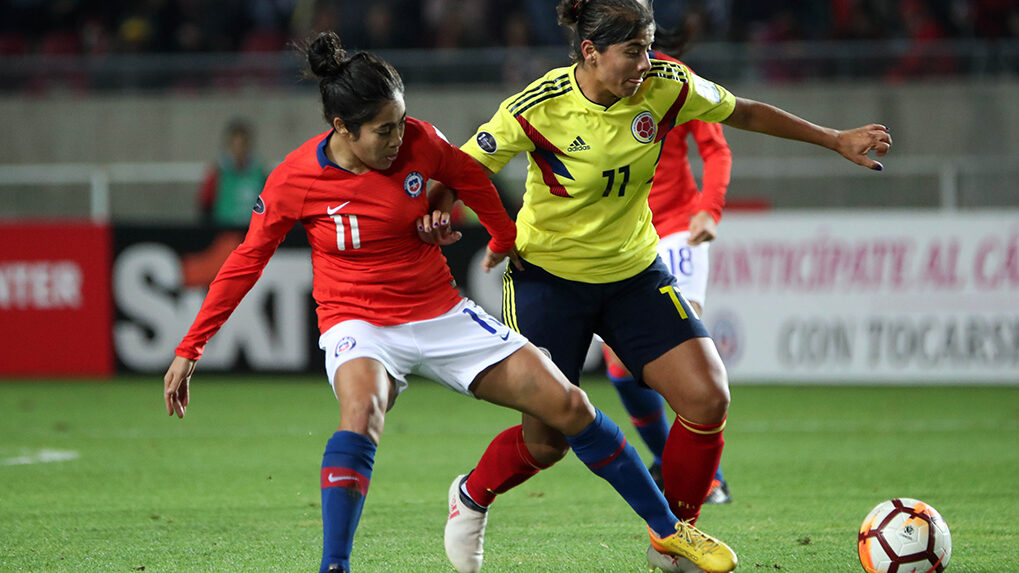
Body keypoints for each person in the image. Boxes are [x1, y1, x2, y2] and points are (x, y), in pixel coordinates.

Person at [163, 31, 727, 573]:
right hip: (357, 321)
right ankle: (334, 564)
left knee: (571, 409)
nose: (397, 138)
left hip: (440, 313)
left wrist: (502, 239)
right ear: (342, 127)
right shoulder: (295, 178)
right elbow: (245, 260)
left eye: (401, 121)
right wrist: (192, 347)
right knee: (362, 413)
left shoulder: (418, 141)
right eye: (383, 130)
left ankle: (668, 533)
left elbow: (471, 178)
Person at [426, 1, 890, 572]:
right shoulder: (538, 106)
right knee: (547, 444)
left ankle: (673, 539)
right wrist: (438, 212)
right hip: (549, 280)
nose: (646, 62)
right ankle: (470, 494)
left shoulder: (666, 86)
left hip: (633, 274)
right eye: (632, 51)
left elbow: (743, 112)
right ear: (591, 53)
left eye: (648, 48)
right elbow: (462, 167)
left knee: (707, 397)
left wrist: (834, 138)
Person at [602, 7, 734, 505]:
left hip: (678, 232)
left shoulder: (674, 82)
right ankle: (675, 464)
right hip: (625, 241)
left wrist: (709, 211)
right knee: (619, 369)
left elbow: (716, 149)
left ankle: (707, 478)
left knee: (683, 359)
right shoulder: (591, 87)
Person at [197, 117, 268, 228]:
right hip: (224, 233)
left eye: (243, 145)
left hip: (253, 232)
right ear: (229, 145)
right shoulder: (217, 174)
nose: (239, 150)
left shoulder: (260, 174)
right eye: (235, 145)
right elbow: (205, 206)